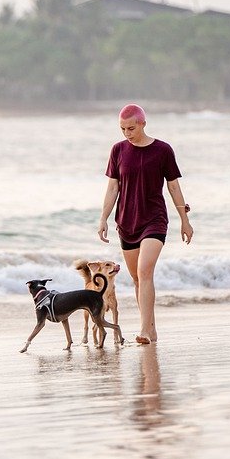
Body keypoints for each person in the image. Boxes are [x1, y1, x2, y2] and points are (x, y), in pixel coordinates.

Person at [96, 104, 192, 345]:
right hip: (127, 221)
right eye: (122, 129)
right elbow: (113, 188)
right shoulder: (118, 150)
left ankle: (144, 331)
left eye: (131, 128)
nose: (127, 133)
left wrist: (184, 220)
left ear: (142, 124)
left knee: (144, 271)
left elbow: (173, 186)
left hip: (155, 220)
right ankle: (152, 329)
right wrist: (103, 218)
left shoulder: (162, 150)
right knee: (138, 280)